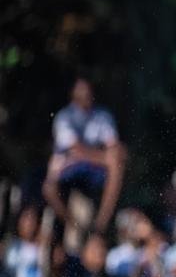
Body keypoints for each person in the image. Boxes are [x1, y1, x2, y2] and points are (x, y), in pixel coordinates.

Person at [43, 79, 126, 235]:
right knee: (49, 188)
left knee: (117, 163)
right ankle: (73, 225)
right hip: (69, 168)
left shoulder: (102, 115)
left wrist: (112, 155)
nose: (85, 95)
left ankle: (101, 224)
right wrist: (105, 158)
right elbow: (75, 150)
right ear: (73, 94)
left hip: (92, 169)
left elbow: (114, 146)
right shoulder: (64, 117)